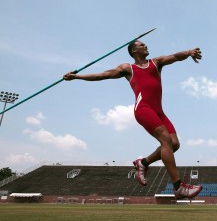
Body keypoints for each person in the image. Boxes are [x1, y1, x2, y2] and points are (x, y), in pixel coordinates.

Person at [63, 40, 203, 199]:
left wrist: (189, 51)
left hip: (159, 112)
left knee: (174, 144)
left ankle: (143, 163)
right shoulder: (128, 68)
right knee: (165, 139)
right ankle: (178, 187)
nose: (146, 46)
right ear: (134, 50)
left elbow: (175, 56)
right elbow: (103, 75)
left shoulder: (156, 62)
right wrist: (76, 76)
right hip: (143, 108)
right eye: (142, 45)